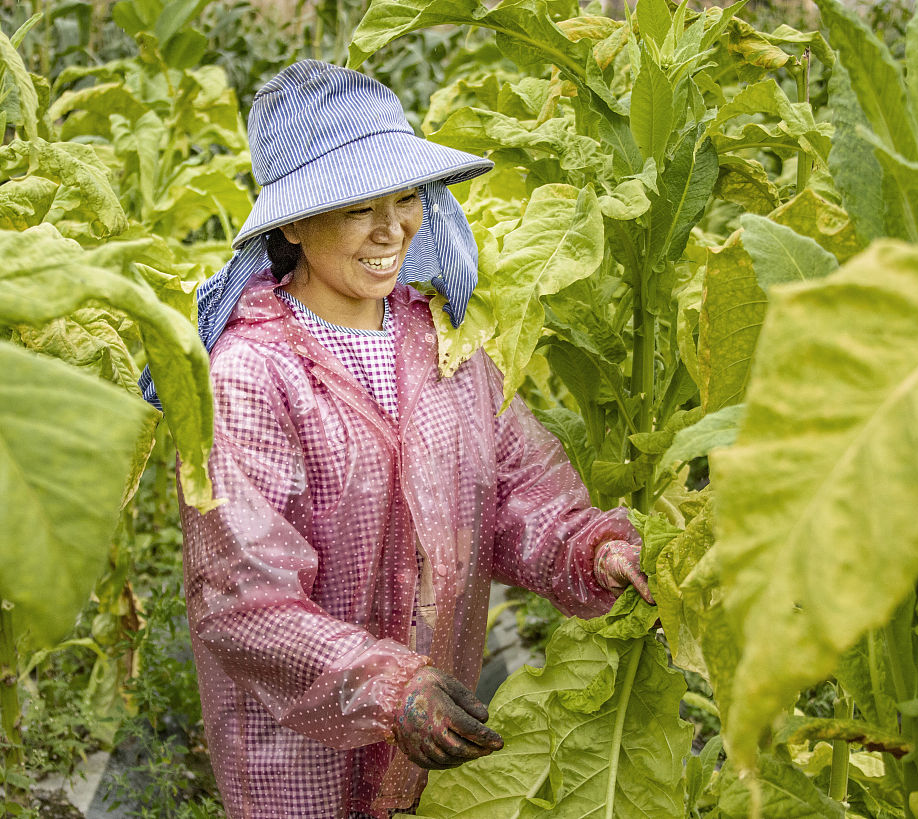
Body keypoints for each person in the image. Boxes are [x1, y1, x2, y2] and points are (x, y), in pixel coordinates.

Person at [138, 60, 652, 818]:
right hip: (295, 748)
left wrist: (594, 550)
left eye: (405, 198)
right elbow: (243, 597)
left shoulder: (444, 343)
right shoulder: (247, 375)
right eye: (356, 208)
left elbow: (515, 495)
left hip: (428, 730)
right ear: (291, 223)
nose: (392, 231)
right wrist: (388, 685)